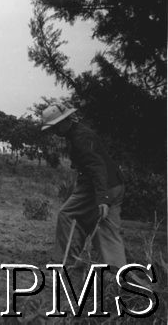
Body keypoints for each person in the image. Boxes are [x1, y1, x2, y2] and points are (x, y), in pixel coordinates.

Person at [40, 103, 126, 270]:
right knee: (105, 228)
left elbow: (97, 167)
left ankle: (65, 262)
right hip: (115, 185)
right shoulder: (78, 133)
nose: (55, 131)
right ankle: (118, 273)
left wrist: (102, 199)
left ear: (65, 121)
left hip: (100, 187)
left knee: (67, 215)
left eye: (56, 126)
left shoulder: (80, 137)